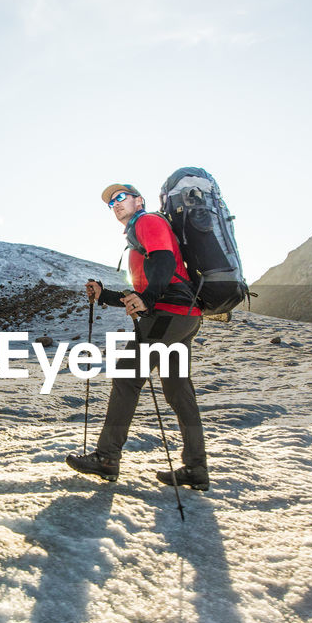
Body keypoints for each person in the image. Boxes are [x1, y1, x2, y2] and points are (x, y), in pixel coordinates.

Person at [65, 182, 209, 490]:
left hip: (166, 317)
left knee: (127, 378)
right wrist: (105, 295)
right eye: (111, 202)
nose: (115, 203)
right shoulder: (139, 233)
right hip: (183, 317)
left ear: (138, 200)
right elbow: (144, 291)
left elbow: (165, 261)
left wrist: (150, 300)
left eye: (121, 197)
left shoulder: (147, 221)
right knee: (178, 392)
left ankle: (106, 458)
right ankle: (196, 468)